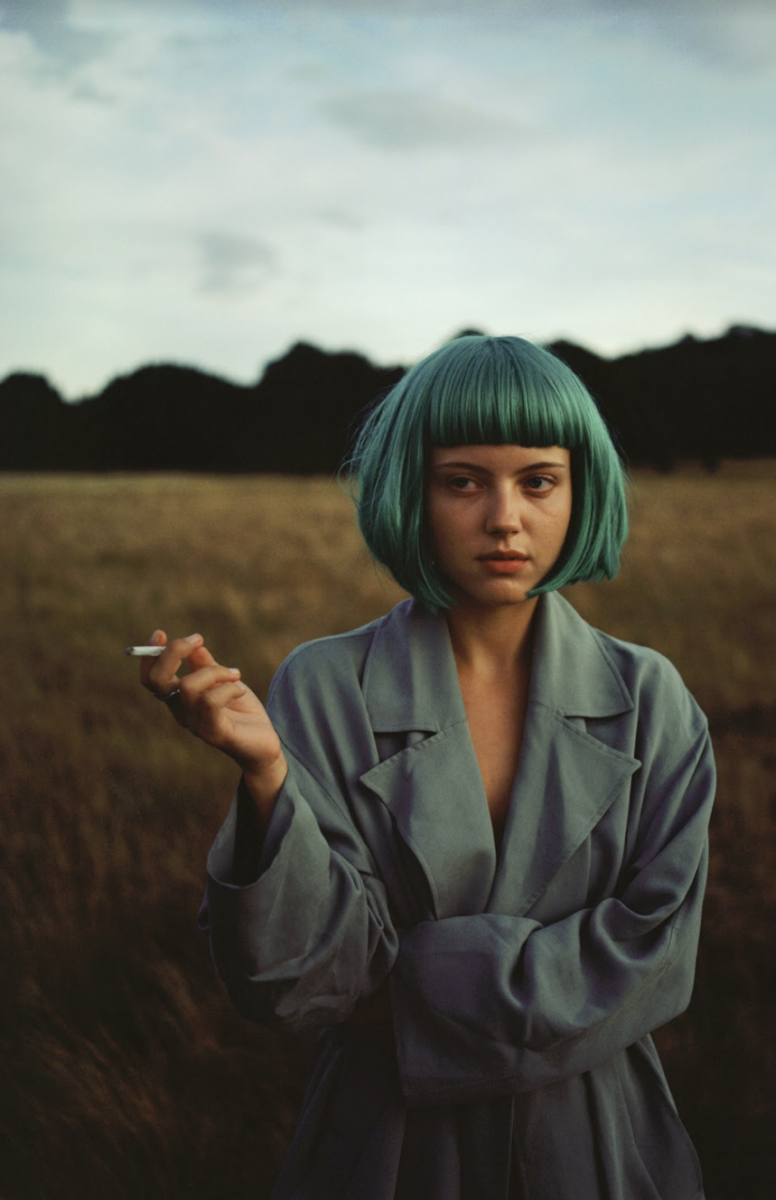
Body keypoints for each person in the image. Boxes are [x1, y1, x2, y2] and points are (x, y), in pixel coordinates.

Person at [139, 334, 715, 1200]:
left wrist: (404, 995)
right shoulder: (324, 684)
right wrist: (264, 779)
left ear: (580, 488)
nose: (504, 519)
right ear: (415, 488)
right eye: (463, 481)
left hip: (596, 1145)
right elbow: (298, 985)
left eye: (538, 480)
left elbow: (656, 954)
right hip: (384, 1154)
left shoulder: (651, 697)